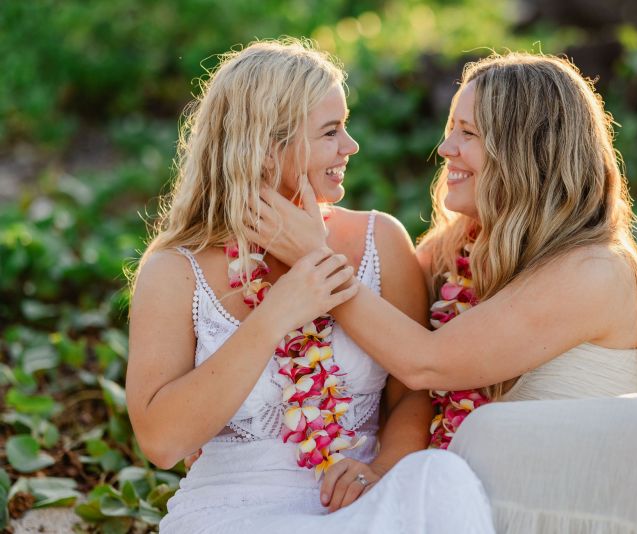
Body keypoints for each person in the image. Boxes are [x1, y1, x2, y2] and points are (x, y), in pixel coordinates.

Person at [251, 52, 637, 533]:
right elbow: (399, 373)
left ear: (527, 149)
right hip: (482, 502)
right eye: (451, 128)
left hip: (579, 506)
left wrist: (316, 259)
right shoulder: (449, 254)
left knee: (633, 425)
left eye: (467, 133)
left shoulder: (595, 270)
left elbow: (425, 362)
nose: (445, 147)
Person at [125, 39, 494, 533]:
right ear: (266, 146)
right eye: (330, 131)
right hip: (234, 513)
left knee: (443, 477)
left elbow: (413, 392)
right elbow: (162, 442)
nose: (350, 146)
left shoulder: (379, 239)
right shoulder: (175, 270)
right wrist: (276, 314)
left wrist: (381, 471)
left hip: (363, 505)